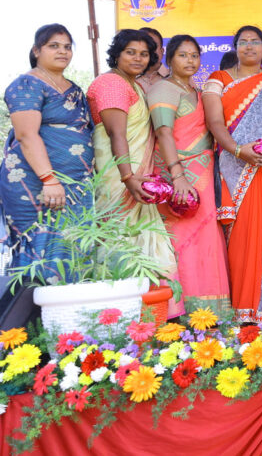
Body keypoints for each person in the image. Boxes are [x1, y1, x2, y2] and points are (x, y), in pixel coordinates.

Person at [202, 25, 262, 318]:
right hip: (234, 164)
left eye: (255, 42)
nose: (249, 46)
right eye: (243, 42)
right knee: (241, 234)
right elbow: (215, 123)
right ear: (235, 47)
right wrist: (239, 151)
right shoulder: (218, 80)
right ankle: (244, 307)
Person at [87, 29, 180, 314]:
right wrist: (128, 178)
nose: (138, 59)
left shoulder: (135, 85)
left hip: (136, 177)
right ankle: (116, 315)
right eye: (131, 52)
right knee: (119, 242)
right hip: (119, 178)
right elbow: (118, 135)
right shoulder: (111, 84)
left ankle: (151, 317)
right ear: (117, 54)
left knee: (143, 246)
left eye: (144, 54)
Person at [147, 35, 230, 316]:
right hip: (180, 176)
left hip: (204, 174)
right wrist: (178, 176)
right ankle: (179, 309)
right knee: (182, 241)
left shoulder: (194, 89)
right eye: (183, 55)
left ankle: (209, 311)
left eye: (194, 55)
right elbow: (164, 133)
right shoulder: (164, 89)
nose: (190, 61)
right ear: (168, 59)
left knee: (207, 239)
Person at [1, 24, 93, 276]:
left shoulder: (73, 88)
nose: (62, 51)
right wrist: (49, 179)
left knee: (74, 246)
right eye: (54, 46)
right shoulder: (26, 84)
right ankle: (32, 315)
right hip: (36, 181)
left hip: (76, 182)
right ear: (36, 50)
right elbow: (26, 135)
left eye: (67, 47)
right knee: (39, 246)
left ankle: (71, 313)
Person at [136, 27, 170, 91]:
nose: (150, 50)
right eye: (145, 46)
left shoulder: (178, 77)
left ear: (162, 51)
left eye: (154, 45)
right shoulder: (126, 79)